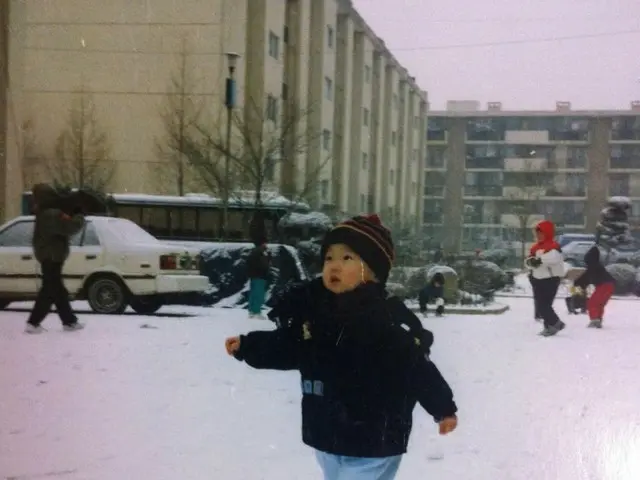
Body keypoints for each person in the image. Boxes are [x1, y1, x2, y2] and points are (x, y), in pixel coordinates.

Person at [225, 214, 458, 480]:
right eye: (329, 258)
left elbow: (417, 367)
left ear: (373, 272)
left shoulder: (386, 320)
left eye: (347, 258)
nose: (334, 266)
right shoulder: (314, 314)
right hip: (327, 434)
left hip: (374, 438)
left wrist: (442, 407)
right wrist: (249, 345)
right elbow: (288, 346)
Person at [25, 183, 85, 334]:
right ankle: (33, 323)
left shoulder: (43, 212)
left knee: (58, 290)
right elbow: (71, 228)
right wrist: (78, 215)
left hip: (49, 255)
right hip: (52, 256)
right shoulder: (52, 214)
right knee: (49, 290)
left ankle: (69, 321)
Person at [524, 220, 566, 337]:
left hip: (550, 279)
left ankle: (555, 323)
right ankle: (549, 327)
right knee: (542, 305)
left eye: (541, 233)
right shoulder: (535, 247)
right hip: (537, 279)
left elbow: (554, 259)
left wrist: (538, 261)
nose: (538, 236)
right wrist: (530, 262)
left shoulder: (554, 246)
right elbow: (527, 261)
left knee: (544, 305)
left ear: (547, 233)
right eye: (537, 233)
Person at [573, 246, 615, 328]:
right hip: (610, 285)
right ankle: (598, 319)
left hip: (604, 285)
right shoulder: (596, 266)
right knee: (599, 304)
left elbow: (583, 279)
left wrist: (577, 290)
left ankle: (595, 320)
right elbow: (585, 279)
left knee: (592, 303)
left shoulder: (593, 266)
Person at [246, 241, 271, 318]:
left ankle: (251, 311)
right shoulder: (261, 252)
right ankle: (256, 312)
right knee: (259, 294)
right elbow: (264, 264)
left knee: (253, 294)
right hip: (260, 275)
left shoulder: (253, 252)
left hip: (253, 276)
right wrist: (268, 257)